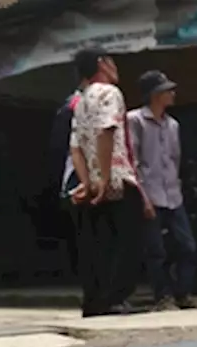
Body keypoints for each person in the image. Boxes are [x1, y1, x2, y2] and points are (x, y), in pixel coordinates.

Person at [68, 50, 145, 317]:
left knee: (101, 245)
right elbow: (106, 131)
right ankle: (115, 298)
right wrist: (103, 177)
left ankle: (96, 301)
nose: (116, 68)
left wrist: (88, 182)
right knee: (129, 244)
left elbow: (75, 147)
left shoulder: (79, 101)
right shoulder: (110, 93)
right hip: (117, 179)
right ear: (102, 63)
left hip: (94, 182)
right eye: (112, 62)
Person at [128, 70, 197, 311]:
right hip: (149, 193)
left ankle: (183, 294)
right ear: (155, 95)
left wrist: (178, 187)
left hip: (173, 194)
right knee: (156, 250)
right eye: (167, 90)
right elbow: (134, 161)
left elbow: (175, 159)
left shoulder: (173, 125)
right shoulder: (135, 121)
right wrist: (142, 197)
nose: (172, 94)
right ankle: (163, 297)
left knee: (187, 246)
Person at [46, 61, 90, 277]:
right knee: (88, 238)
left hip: (96, 179)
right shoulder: (73, 105)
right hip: (78, 179)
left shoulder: (94, 102)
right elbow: (62, 147)